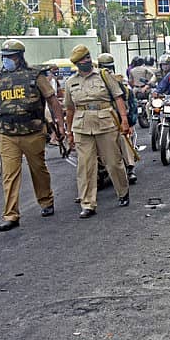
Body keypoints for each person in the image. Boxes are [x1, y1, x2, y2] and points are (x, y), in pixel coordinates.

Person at [0, 39, 65, 231]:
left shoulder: (35, 75)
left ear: (19, 57)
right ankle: (11, 215)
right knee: (9, 175)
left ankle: (46, 201)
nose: (6, 60)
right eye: (4, 56)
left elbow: (52, 100)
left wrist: (60, 124)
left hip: (32, 132)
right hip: (7, 133)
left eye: (10, 57)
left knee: (38, 169)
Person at [64, 44, 131, 218]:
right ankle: (88, 204)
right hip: (82, 126)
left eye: (88, 57)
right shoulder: (70, 82)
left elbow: (118, 97)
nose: (86, 61)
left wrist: (124, 120)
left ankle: (123, 192)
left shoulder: (104, 75)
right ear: (77, 63)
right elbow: (69, 109)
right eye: (82, 59)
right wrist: (69, 132)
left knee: (113, 162)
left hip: (105, 123)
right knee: (85, 166)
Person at [98, 53, 138, 184]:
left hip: (118, 120)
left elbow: (130, 102)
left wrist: (129, 122)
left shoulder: (120, 81)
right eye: (104, 67)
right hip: (100, 122)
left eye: (109, 68)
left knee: (123, 138)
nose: (107, 71)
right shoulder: (95, 83)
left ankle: (130, 168)